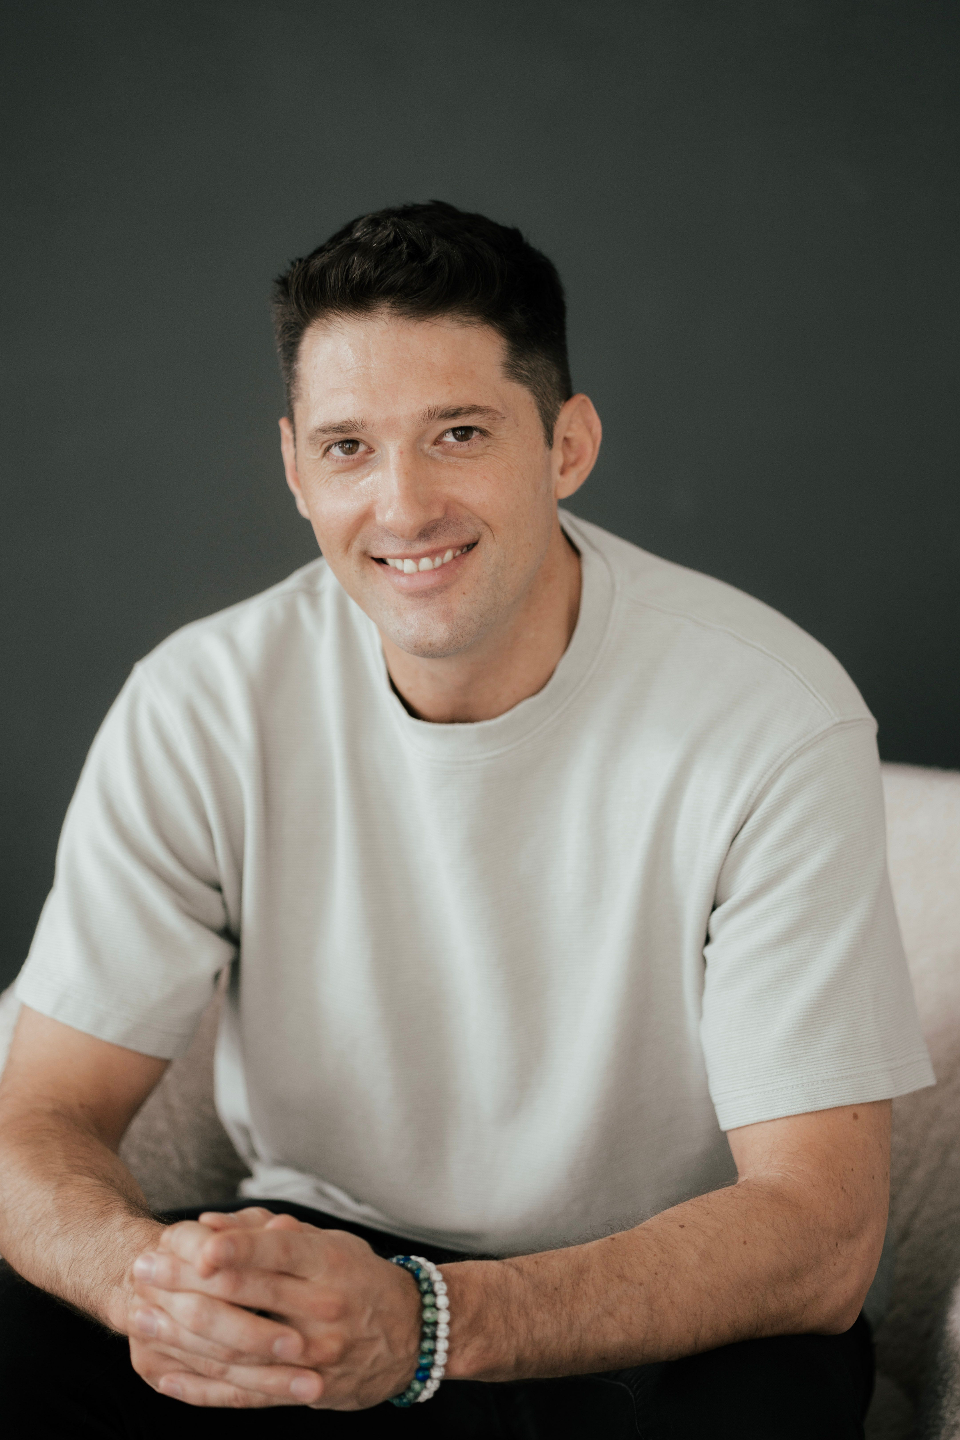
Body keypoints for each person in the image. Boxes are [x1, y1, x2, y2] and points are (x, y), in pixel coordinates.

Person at [0, 201, 933, 1439]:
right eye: (348, 447)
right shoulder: (201, 703)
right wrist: (159, 1294)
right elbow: (37, 1121)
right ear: (294, 467)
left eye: (459, 433)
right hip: (327, 1260)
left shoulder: (773, 717)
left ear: (567, 445)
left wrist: (426, 1325)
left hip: (648, 1304)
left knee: (768, 1399)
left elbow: (820, 1235)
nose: (402, 506)